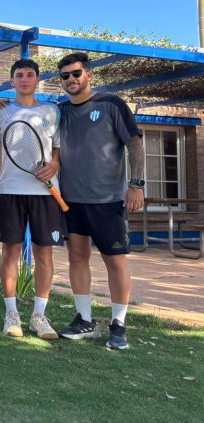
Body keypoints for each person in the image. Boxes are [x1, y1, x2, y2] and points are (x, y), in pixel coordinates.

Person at [55, 52, 144, 350]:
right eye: (65, 76)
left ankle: (118, 325)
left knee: (114, 261)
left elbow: (134, 144)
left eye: (76, 73)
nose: (71, 79)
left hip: (108, 200)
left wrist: (136, 185)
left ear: (89, 74)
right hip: (70, 201)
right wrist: (3, 105)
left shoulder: (111, 104)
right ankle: (84, 320)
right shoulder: (59, 111)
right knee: (77, 259)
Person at [0, 59, 64, 340]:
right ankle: (12, 314)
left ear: (37, 80)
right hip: (10, 190)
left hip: (45, 192)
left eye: (29, 74)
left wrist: (54, 166)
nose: (24, 79)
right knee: (10, 253)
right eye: (19, 75)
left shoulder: (52, 111)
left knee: (44, 254)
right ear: (12, 81)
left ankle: (38, 316)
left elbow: (57, 150)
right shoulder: (1, 111)